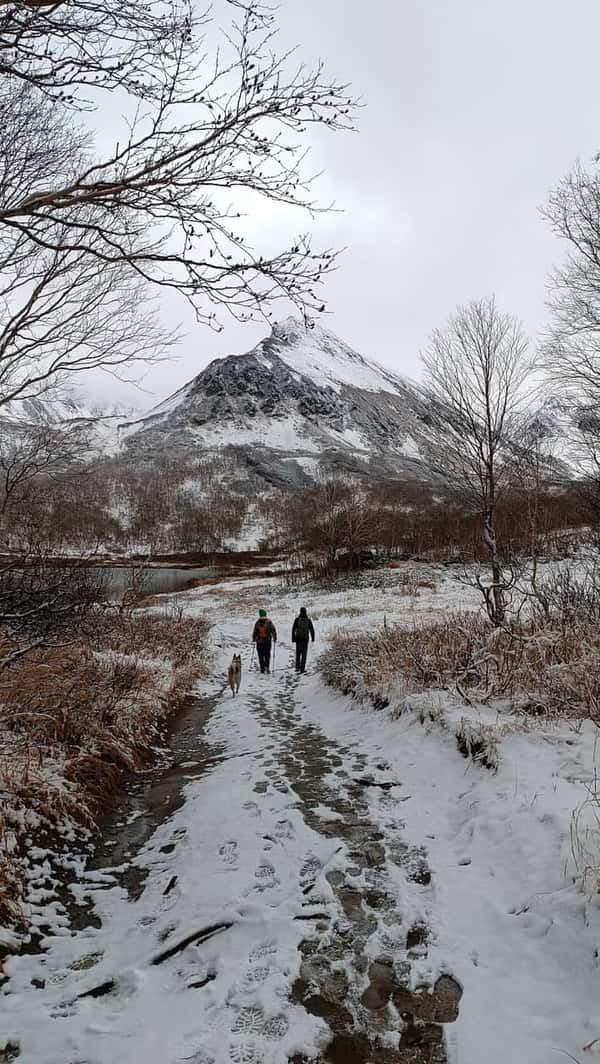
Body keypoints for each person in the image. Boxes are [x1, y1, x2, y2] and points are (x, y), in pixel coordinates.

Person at [252, 608, 277, 674]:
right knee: (267, 655)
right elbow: (273, 630)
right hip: (267, 641)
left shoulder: (258, 622)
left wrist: (254, 638)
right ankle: (267, 667)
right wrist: (275, 638)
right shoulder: (269, 622)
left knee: (261, 655)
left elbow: (255, 631)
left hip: (259, 642)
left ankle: (262, 669)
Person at [291, 606, 315, 673]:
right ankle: (302, 669)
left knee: (298, 654)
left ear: (300, 612)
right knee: (304, 655)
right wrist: (313, 638)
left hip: (298, 639)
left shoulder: (297, 619)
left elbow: (293, 629)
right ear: (306, 612)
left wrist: (293, 638)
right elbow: (312, 630)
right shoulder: (308, 620)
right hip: (305, 639)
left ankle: (297, 667)